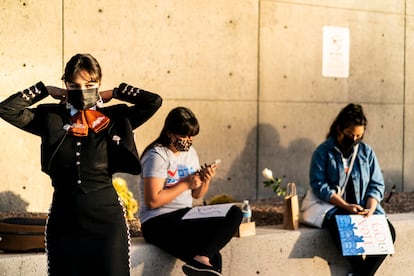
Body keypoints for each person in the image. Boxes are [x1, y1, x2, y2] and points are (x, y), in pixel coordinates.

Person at [0, 53, 162, 276]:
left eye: (89, 84)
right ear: (65, 85)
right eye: (74, 85)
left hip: (107, 221)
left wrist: (115, 93)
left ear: (98, 83)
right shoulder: (51, 118)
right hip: (65, 220)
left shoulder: (116, 117)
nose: (82, 89)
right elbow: (6, 109)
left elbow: (153, 101)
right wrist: (45, 89)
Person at [138, 106, 242, 276]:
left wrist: (205, 179)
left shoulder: (190, 153)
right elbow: (153, 201)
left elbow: (197, 195)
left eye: (191, 136)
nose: (187, 140)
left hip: (185, 214)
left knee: (234, 213)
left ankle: (201, 260)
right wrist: (185, 184)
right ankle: (201, 259)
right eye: (183, 136)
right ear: (170, 132)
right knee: (212, 258)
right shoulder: (157, 155)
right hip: (157, 221)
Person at [309, 103, 396, 276]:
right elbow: (319, 184)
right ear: (339, 128)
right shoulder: (323, 152)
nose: (354, 139)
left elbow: (376, 184)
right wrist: (346, 206)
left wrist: (371, 207)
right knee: (344, 233)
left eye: (359, 135)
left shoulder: (366, 152)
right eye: (350, 134)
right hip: (336, 209)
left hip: (365, 208)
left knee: (389, 233)